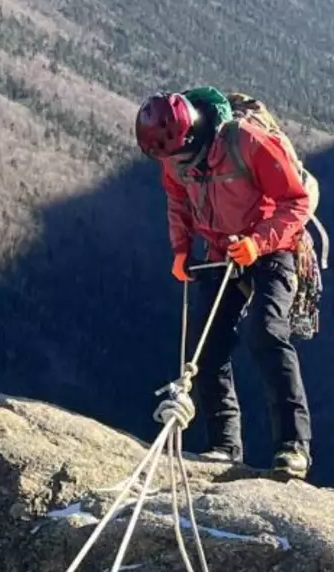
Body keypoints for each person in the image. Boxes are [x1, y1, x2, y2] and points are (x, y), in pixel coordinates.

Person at [134, 87, 313, 479]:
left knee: (266, 332)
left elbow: (295, 203)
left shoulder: (247, 142)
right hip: (222, 252)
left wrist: (258, 242)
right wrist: (181, 249)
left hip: (274, 247)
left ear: (195, 135)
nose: (174, 164)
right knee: (206, 347)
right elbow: (178, 199)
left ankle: (293, 446)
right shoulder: (175, 157)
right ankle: (224, 446)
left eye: (178, 156)